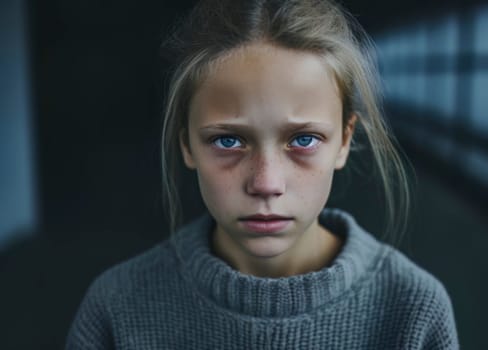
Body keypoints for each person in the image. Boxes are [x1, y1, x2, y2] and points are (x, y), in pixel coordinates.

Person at [66, 0, 459, 349]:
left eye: (303, 139)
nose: (266, 183)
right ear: (187, 144)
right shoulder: (116, 308)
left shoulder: (413, 310)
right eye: (228, 141)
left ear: (343, 140)